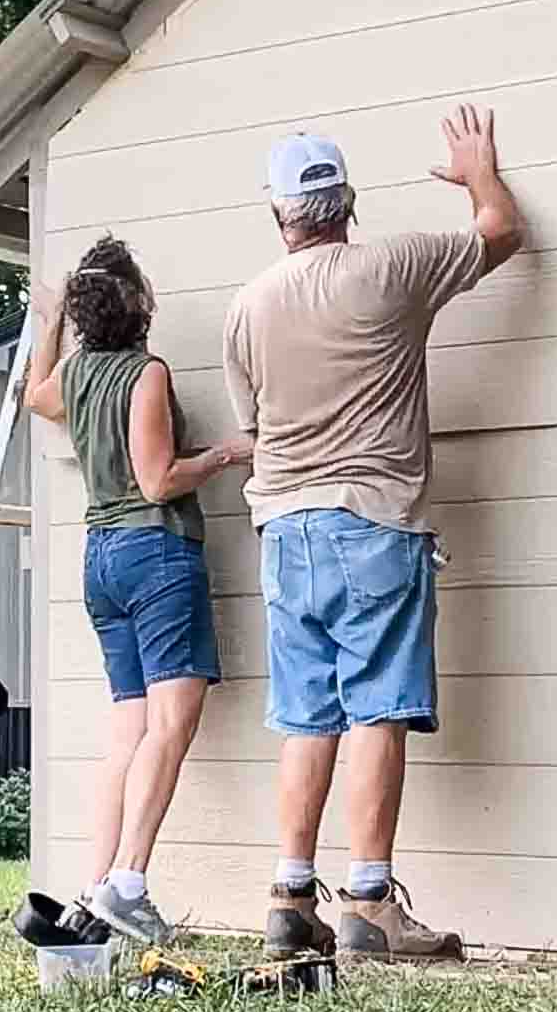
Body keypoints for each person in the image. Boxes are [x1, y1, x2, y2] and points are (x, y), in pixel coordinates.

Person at [223, 105, 523, 961]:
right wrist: (477, 171)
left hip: (285, 528)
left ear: (279, 215)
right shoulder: (394, 267)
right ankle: (369, 903)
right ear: (347, 202)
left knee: (307, 718)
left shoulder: (247, 306)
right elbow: (501, 232)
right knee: (377, 711)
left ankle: (288, 897)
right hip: (373, 522)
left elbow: (255, 425)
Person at [26, 234, 252, 943]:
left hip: (99, 561)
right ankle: (128, 881)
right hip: (154, 550)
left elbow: (35, 396)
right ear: (140, 302)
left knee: (127, 730)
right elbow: (158, 480)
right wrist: (221, 455)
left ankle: (94, 886)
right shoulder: (143, 373)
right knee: (170, 724)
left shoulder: (78, 372)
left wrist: (48, 324)